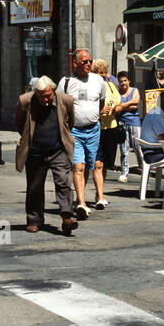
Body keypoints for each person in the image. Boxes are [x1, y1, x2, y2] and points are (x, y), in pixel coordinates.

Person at [15, 76, 78, 235]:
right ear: (35, 93)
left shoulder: (65, 100)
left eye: (49, 96)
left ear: (54, 91)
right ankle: (34, 220)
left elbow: (69, 122)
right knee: (34, 187)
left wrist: (64, 139)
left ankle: (67, 217)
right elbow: (19, 124)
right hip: (35, 151)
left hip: (58, 150)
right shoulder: (25, 101)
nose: (46, 99)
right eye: (42, 96)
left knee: (63, 182)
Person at [60, 48, 108, 216]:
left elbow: (101, 102)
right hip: (75, 131)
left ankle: (93, 197)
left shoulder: (98, 81)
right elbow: (59, 107)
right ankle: (81, 203)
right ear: (75, 63)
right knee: (78, 166)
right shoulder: (66, 82)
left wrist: (93, 116)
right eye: (84, 62)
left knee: (92, 164)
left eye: (90, 61)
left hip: (94, 130)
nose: (88, 64)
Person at [95, 59, 123, 177]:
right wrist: (100, 111)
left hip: (111, 126)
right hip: (97, 127)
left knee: (106, 163)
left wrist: (110, 107)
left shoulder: (110, 85)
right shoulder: (91, 86)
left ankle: (99, 190)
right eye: (99, 72)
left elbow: (117, 97)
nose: (102, 75)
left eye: (104, 72)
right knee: (97, 163)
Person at [114, 70, 142, 182]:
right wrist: (126, 105)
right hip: (122, 123)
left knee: (138, 148)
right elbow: (116, 108)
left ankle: (143, 167)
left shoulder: (134, 90)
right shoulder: (117, 93)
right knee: (123, 150)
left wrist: (122, 106)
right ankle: (124, 172)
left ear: (129, 80)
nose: (123, 83)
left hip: (134, 123)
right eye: (121, 81)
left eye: (125, 80)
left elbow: (135, 104)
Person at [139, 89, 164, 167]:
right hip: (152, 154)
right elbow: (163, 140)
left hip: (148, 151)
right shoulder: (158, 115)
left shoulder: (154, 111)